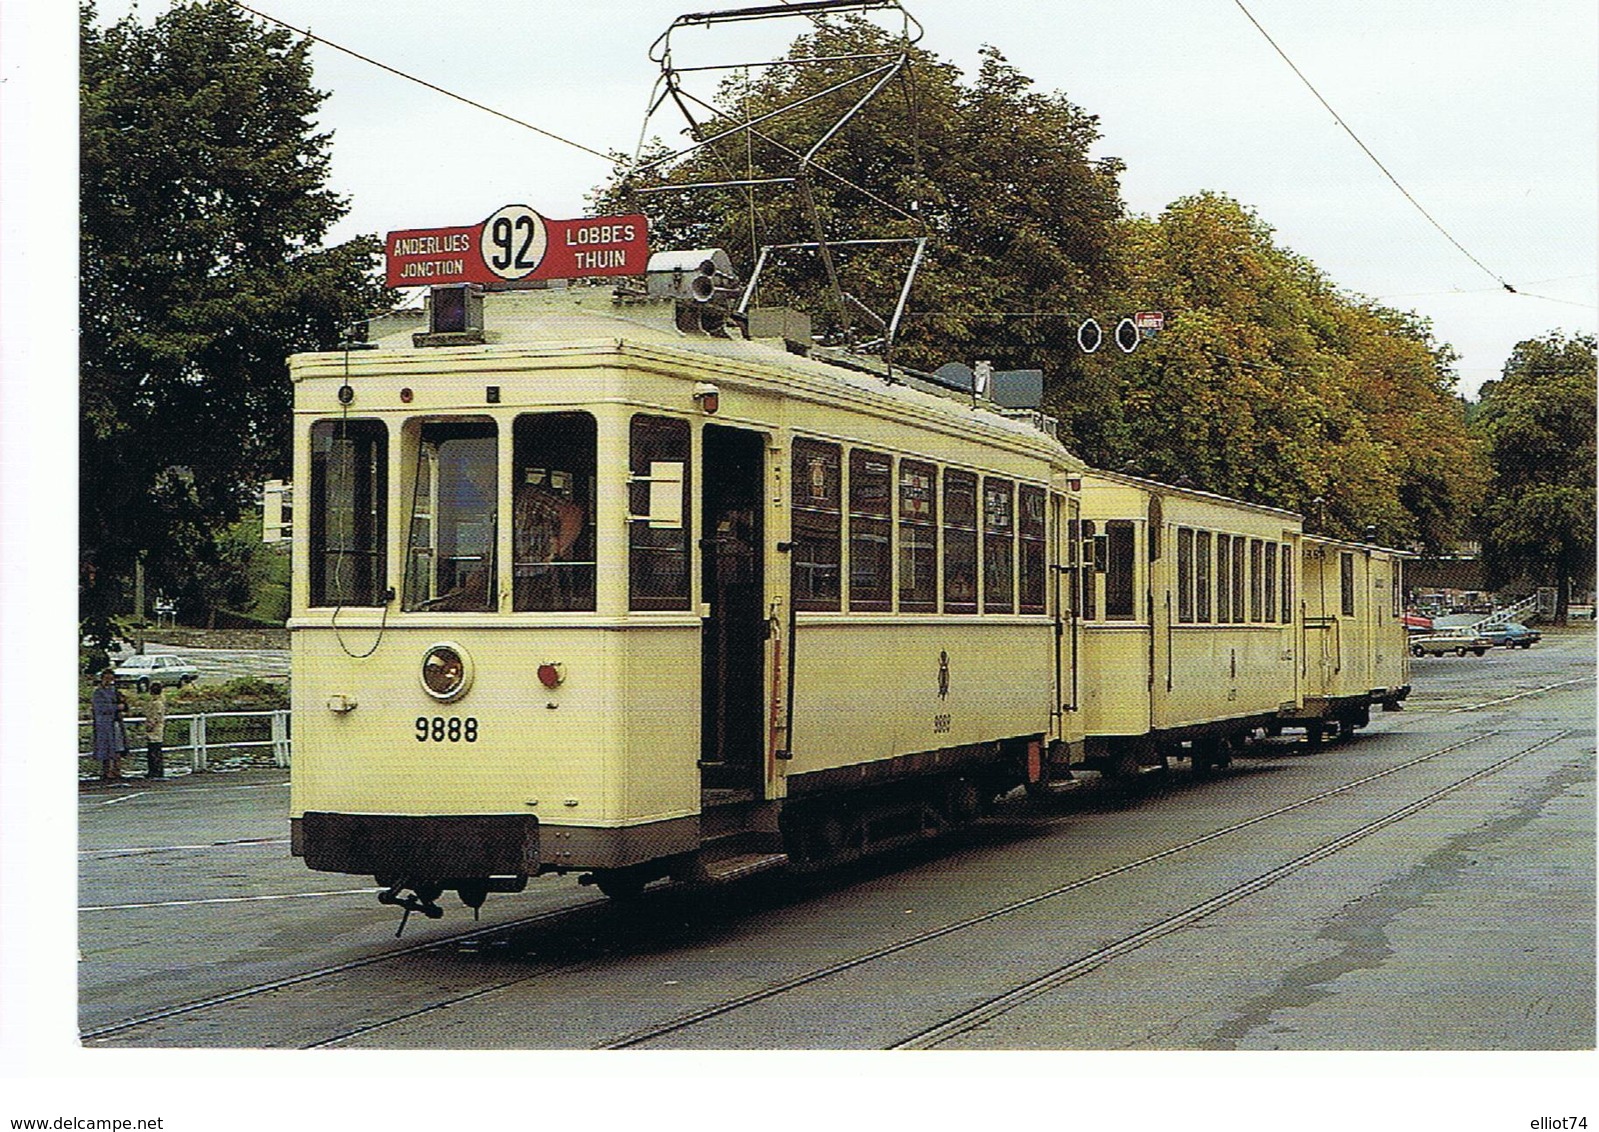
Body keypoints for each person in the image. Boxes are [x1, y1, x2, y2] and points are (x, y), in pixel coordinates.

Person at [90, 669, 128, 781]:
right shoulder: (98, 693)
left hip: (115, 722)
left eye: (111, 679)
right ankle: (106, 771)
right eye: (107, 679)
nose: (109, 681)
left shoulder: (115, 691)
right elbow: (99, 708)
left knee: (118, 747)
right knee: (105, 747)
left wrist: (123, 704)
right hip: (104, 723)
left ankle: (117, 769)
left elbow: (124, 704)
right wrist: (116, 707)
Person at [143, 681, 167, 779]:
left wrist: (149, 727)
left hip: (155, 730)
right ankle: (156, 770)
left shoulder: (156, 703)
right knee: (155, 750)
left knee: (154, 751)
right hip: (157, 729)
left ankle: (155, 771)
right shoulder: (160, 702)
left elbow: (154, 717)